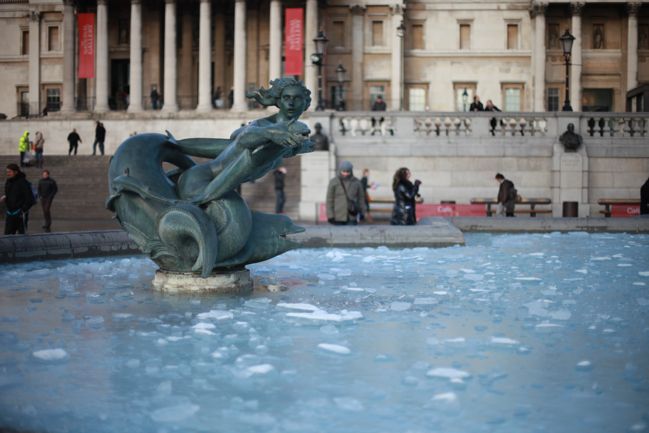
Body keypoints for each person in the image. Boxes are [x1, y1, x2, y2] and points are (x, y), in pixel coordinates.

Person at [326, 161, 366, 225]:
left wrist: (362, 213)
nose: (345, 174)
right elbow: (329, 200)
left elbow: (361, 199)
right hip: (337, 216)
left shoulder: (357, 182)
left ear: (351, 171)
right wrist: (330, 216)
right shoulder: (333, 182)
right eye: (343, 171)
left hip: (352, 216)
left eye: (348, 172)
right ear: (340, 171)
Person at [1, 163, 34, 235]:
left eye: (9, 172)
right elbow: (11, 194)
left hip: (20, 214)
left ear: (16, 172)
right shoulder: (8, 182)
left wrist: (22, 210)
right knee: (7, 236)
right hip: (10, 213)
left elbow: (30, 199)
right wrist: (5, 197)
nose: (8, 174)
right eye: (7, 172)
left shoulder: (23, 182)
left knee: (22, 237)